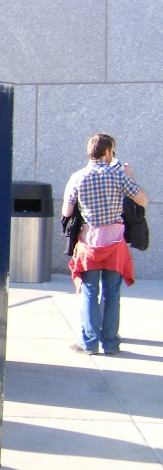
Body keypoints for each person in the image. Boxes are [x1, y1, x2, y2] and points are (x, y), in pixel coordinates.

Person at [61, 133, 147, 355]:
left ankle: (88, 343)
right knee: (112, 292)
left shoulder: (78, 177)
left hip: (89, 244)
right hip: (115, 243)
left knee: (89, 291)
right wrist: (130, 177)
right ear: (107, 151)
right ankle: (110, 343)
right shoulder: (118, 175)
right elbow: (142, 200)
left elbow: (66, 211)